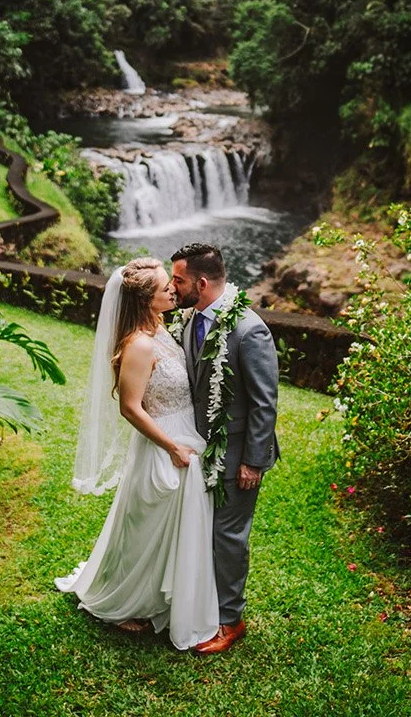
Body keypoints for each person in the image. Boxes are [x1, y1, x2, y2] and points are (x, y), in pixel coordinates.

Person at [56, 258, 219, 651]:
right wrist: (171, 445)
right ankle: (119, 601)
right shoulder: (140, 345)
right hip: (164, 442)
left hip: (184, 434)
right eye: (165, 287)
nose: (172, 291)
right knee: (145, 530)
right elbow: (130, 407)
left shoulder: (160, 328)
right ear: (147, 300)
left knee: (174, 527)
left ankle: (168, 592)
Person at [169, 242, 279, 655]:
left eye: (178, 280)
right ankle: (201, 604)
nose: (172, 286)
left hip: (236, 457)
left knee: (228, 537)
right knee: (203, 531)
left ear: (200, 282)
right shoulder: (189, 319)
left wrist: (253, 460)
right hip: (198, 450)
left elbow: (265, 402)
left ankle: (231, 621)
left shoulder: (249, 330)